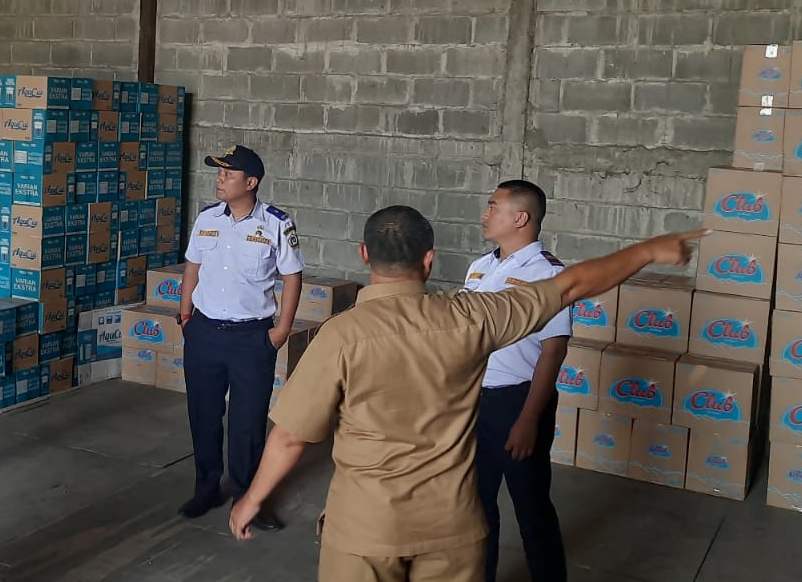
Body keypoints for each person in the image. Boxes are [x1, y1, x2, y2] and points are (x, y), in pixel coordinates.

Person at [229, 205, 706, 582]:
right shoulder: (472, 317)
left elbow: (290, 437)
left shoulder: (339, 336)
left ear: (364, 255)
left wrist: (252, 499)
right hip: (453, 527)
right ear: (429, 259)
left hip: (365, 528)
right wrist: (649, 250)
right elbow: (570, 286)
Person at [175, 144, 303, 531]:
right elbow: (192, 268)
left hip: (252, 338)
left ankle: (249, 498)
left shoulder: (277, 224)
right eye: (219, 173)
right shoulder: (207, 218)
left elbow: (292, 278)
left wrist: (281, 330)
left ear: (250, 183)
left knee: (247, 424)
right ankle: (206, 488)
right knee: (203, 415)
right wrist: (185, 316)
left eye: (228, 175)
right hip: (204, 332)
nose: (220, 180)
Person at [463, 181, 570, 582]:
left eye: (494, 207)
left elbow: (553, 351)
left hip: (518, 402)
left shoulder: (548, 273)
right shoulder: (479, 267)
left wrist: (527, 420)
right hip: (474, 401)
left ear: (520, 218)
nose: (485, 214)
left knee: (531, 508)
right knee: (475, 505)